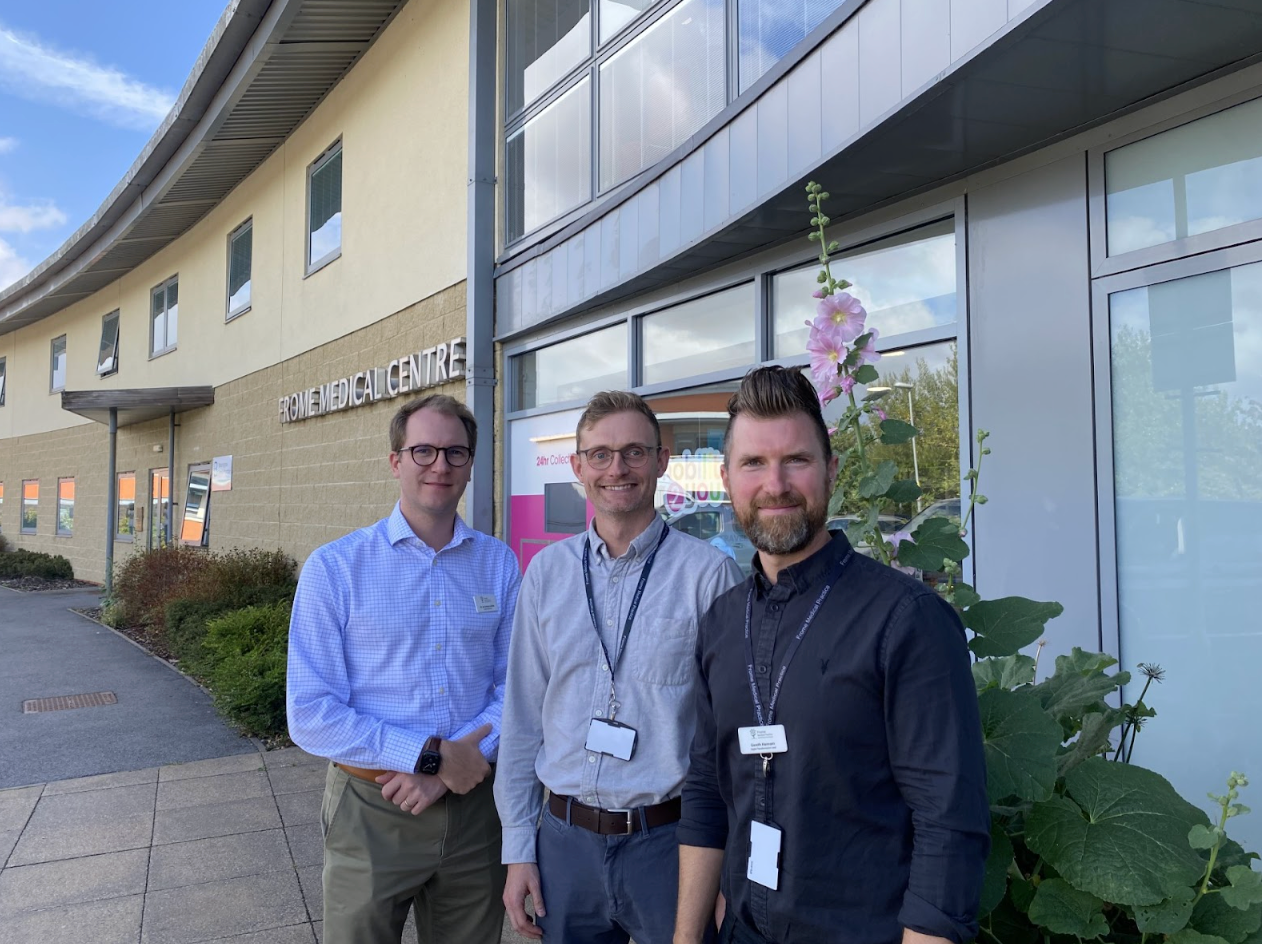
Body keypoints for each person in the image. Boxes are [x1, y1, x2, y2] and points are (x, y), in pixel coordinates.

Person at [674, 366, 990, 944]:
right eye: (753, 464)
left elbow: (950, 825)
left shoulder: (906, 620)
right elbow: (705, 789)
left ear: (831, 470)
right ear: (726, 479)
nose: (776, 484)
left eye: (796, 460)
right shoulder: (721, 621)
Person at [496, 390, 744, 944]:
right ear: (578, 466)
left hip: (670, 844)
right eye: (601, 454)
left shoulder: (708, 578)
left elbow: (729, 737)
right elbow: (522, 721)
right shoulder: (545, 574)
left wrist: (728, 866)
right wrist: (517, 849)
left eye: (634, 452)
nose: (617, 468)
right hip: (564, 844)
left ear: (661, 461)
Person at [287, 393, 521, 944]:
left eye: (455, 453)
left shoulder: (499, 562)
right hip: (370, 810)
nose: (439, 465)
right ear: (396, 461)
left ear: (470, 464)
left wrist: (455, 767)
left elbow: (518, 686)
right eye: (423, 451)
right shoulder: (336, 568)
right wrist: (433, 757)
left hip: (473, 810)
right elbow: (310, 713)